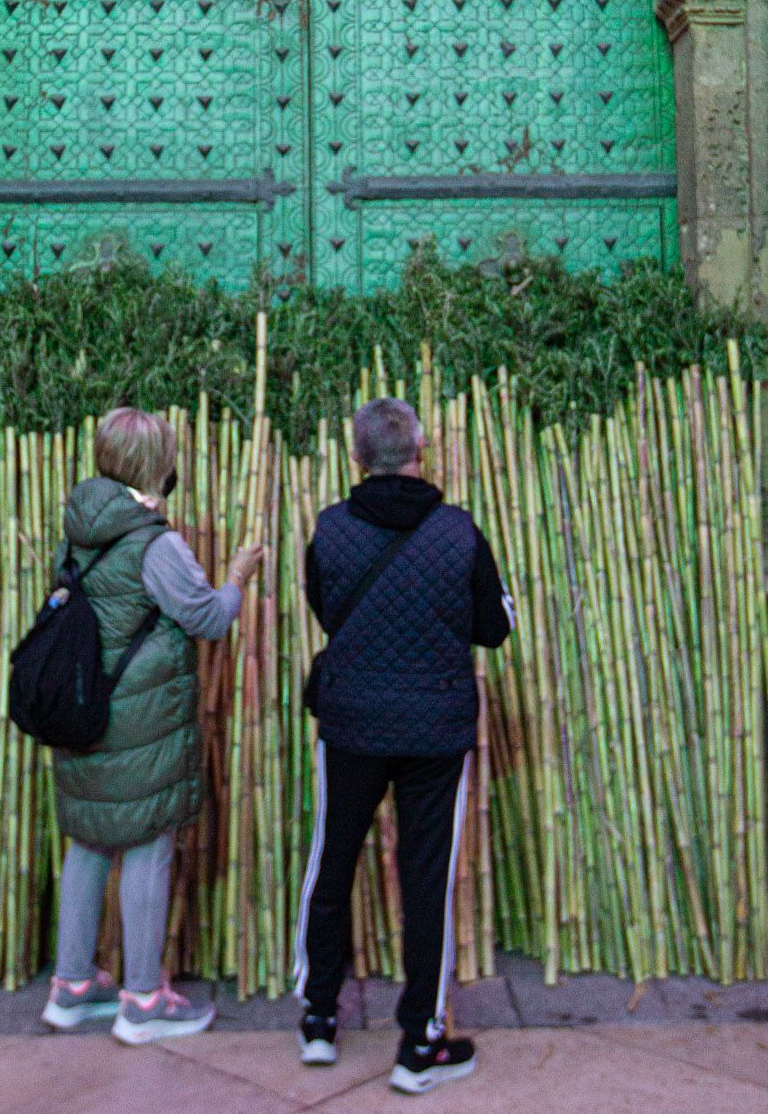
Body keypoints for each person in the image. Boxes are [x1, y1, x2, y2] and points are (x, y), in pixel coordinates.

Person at [294, 396, 514, 1094]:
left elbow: (326, 609)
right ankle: (420, 1041)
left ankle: (319, 1021)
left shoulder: (329, 529)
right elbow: (495, 627)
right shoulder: (459, 531)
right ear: (422, 448)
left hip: (353, 722)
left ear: (357, 456)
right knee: (426, 879)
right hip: (435, 731)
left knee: (333, 860)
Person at [42, 405, 263, 1043]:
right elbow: (210, 619)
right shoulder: (154, 543)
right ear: (157, 465)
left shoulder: (78, 532)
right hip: (143, 721)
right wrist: (239, 578)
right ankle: (142, 1001)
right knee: (146, 844)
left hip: (83, 708)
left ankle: (72, 987)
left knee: (87, 841)